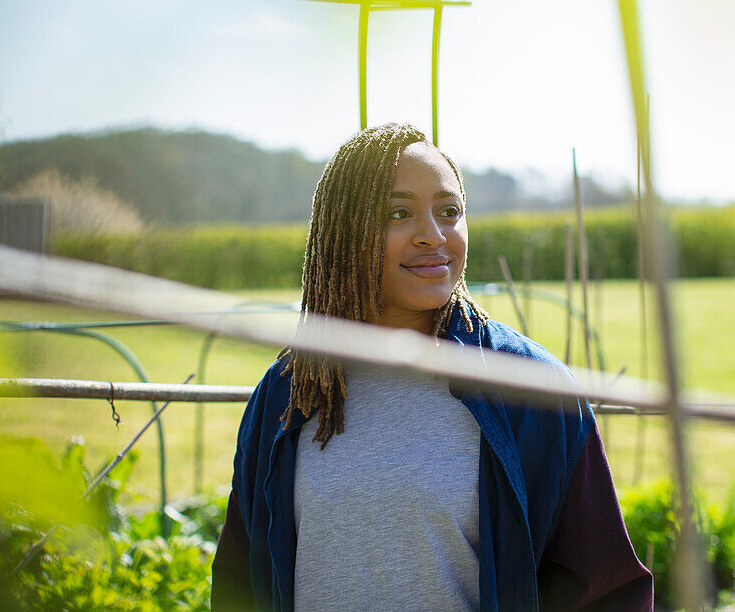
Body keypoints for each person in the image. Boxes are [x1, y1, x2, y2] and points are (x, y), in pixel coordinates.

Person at [211, 123, 652, 611]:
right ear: (342, 234)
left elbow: (607, 591)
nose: (432, 235)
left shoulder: (530, 389)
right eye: (399, 214)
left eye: (449, 212)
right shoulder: (287, 393)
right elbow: (238, 581)